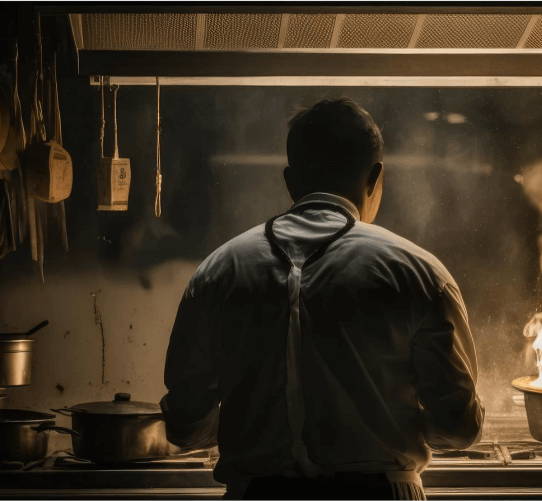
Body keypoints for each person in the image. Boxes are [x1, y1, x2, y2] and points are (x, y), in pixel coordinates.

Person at [161, 97, 484, 501]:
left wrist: (249, 418)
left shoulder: (216, 272)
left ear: (290, 182)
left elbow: (186, 427)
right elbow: (457, 429)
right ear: (376, 177)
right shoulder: (421, 273)